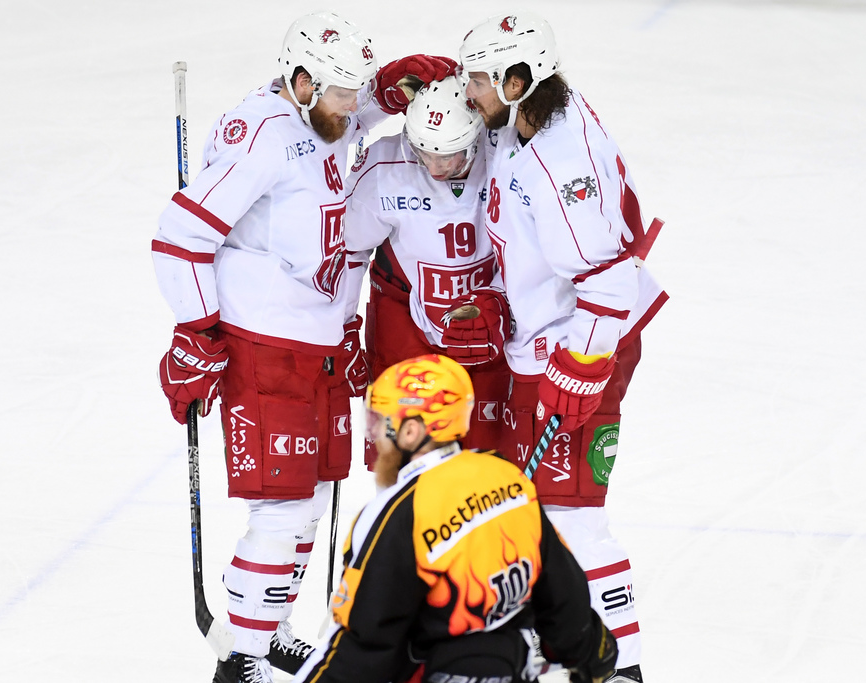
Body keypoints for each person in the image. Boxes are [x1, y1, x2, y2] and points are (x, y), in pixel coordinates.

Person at [151, 11, 455, 683]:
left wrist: (393, 88)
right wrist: (198, 329)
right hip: (264, 346)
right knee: (282, 507)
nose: (356, 108)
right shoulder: (258, 134)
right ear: (300, 82)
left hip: (316, 344)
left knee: (313, 499)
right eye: (345, 93)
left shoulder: (322, 113)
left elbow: (349, 112)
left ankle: (266, 624)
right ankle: (242, 659)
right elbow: (180, 238)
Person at [457, 12, 669, 683]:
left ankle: (623, 667)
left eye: (483, 80)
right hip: (554, 341)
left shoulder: (557, 164)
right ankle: (566, 651)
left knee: (570, 517)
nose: (470, 92)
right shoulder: (531, 114)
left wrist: (581, 366)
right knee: (538, 511)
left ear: (520, 81)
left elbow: (608, 280)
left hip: (587, 346)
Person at [292, 354, 619, 683]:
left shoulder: (395, 514)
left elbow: (364, 646)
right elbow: (563, 596)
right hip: (512, 667)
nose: (375, 437)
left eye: (381, 422)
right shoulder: (508, 478)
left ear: (410, 431)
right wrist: (594, 653)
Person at [343, 74, 511, 458]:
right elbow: (347, 251)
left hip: (488, 323)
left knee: (487, 458)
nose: (434, 169)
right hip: (405, 323)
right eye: (424, 154)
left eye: (447, 156)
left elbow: (537, 250)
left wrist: (501, 304)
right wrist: (344, 327)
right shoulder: (386, 166)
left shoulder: (507, 155)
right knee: (403, 460)